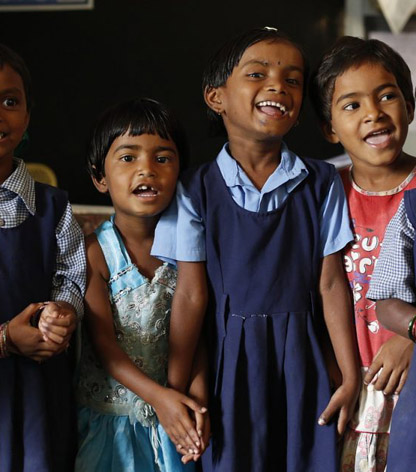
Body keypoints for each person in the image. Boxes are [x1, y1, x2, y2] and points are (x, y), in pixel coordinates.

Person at [152, 27, 360, 472]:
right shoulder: (194, 188)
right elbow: (190, 295)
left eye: (293, 79)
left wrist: (348, 372)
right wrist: (175, 388)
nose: (277, 86)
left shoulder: (321, 181)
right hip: (229, 357)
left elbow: (329, 284)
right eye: (257, 73)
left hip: (303, 358)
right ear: (216, 98)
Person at [75, 98, 208, 472]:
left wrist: (195, 404)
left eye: (163, 158)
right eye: (128, 158)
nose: (147, 170)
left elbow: (200, 336)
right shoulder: (95, 253)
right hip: (111, 428)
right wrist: (162, 399)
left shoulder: (190, 251)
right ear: (100, 177)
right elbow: (106, 349)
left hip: (177, 421)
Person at [310, 36, 416, 471]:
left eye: (387, 95)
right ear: (330, 128)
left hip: (411, 383)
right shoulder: (322, 193)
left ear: (410, 106)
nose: (374, 112)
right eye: (352, 105)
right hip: (344, 382)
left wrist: (409, 340)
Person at [0, 43, 85, 472]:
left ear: (28, 115)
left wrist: (62, 313)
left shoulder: (54, 206)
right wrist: (4, 339)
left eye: (10, 101)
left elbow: (70, 275)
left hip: (38, 387)